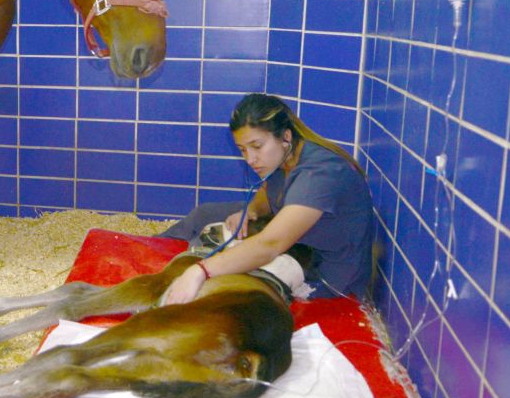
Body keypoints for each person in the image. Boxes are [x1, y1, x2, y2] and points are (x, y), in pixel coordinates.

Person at [160, 93, 374, 304]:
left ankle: (180, 278)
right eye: (242, 150)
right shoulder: (287, 155)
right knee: (203, 215)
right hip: (300, 245)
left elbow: (270, 244)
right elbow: (268, 190)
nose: (250, 159)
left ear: (286, 137)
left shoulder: (319, 174)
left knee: (233, 283)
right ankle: (148, 254)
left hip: (322, 275)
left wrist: (201, 271)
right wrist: (252, 210)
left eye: (257, 146)